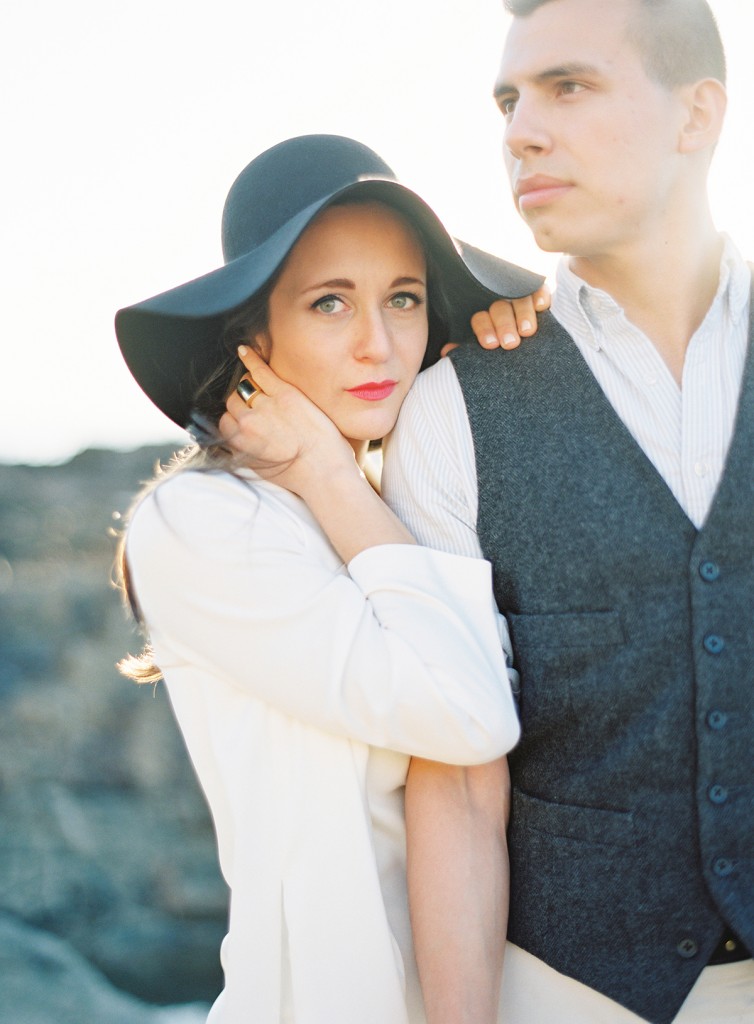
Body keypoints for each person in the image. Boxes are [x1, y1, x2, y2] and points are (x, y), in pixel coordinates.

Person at [113, 133, 548, 1023]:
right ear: (253, 333)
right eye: (329, 303)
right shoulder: (200, 525)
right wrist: (329, 474)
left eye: (406, 298)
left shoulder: (396, 505)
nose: (378, 344)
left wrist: (526, 354)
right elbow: (465, 711)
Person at [381, 2, 754, 1023]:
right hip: (564, 990)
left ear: (697, 115)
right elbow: (455, 778)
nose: (518, 131)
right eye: (508, 99)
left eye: (568, 87)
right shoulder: (456, 405)